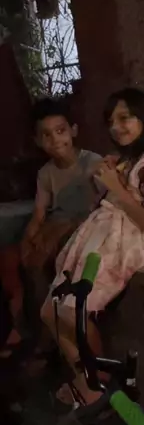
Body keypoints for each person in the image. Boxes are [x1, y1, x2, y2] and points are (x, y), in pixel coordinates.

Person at [41, 87, 144, 406]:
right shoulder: (124, 160)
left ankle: (95, 381)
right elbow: (103, 202)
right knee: (49, 311)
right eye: (111, 121)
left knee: (71, 311)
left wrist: (117, 186)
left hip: (125, 239)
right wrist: (105, 181)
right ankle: (85, 378)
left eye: (124, 118)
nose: (116, 127)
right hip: (98, 235)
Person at [0, 97, 102, 360]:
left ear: (73, 130)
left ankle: (49, 334)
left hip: (82, 226)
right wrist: (29, 237)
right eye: (46, 135)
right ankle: (30, 326)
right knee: (18, 258)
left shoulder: (91, 163)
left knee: (48, 253)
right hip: (55, 224)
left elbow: (102, 209)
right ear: (37, 141)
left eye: (60, 131)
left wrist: (59, 231)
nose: (55, 140)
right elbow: (39, 214)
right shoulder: (45, 173)